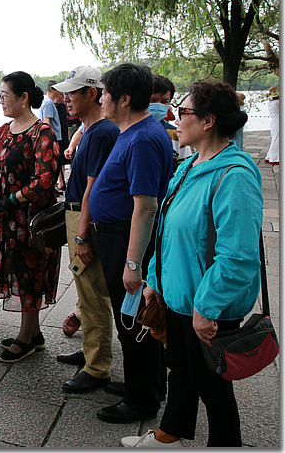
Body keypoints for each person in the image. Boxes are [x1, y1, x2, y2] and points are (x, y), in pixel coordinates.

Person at [122, 80, 262, 447]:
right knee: (180, 370)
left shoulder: (234, 176)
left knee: (212, 386)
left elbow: (238, 256)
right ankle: (169, 434)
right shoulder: (188, 168)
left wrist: (207, 306)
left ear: (209, 121)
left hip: (206, 301)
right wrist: (155, 280)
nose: (174, 118)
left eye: (183, 112)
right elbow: (167, 233)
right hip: (179, 295)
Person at [88, 63, 173, 424]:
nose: (101, 99)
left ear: (123, 99)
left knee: (133, 321)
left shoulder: (141, 139)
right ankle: (148, 383)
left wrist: (133, 264)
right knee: (134, 318)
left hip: (126, 238)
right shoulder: (134, 131)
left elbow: (145, 206)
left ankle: (142, 399)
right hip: (116, 235)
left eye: (105, 93)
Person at [50, 67, 120, 393]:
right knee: (85, 292)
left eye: (73, 93)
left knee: (92, 296)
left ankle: (97, 368)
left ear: (92, 94)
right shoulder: (90, 129)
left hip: (84, 217)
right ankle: (90, 351)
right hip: (78, 213)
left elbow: (94, 186)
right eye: (64, 93)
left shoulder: (103, 133)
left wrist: (80, 235)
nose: (66, 99)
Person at [0, 71, 60, 363]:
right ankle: (35, 333)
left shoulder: (41, 131)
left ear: (24, 98)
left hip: (31, 219)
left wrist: (10, 201)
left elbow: (45, 178)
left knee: (30, 274)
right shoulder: (3, 130)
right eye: (0, 96)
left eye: (5, 96)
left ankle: (26, 337)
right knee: (15, 269)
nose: (1, 101)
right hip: (6, 219)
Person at [46, 80, 70, 191]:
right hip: (54, 139)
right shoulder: (49, 103)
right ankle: (53, 185)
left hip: (60, 137)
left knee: (61, 161)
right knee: (55, 163)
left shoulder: (52, 103)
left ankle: (59, 183)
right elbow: (47, 122)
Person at [264, 86, 279, 165]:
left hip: (274, 121)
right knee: (277, 139)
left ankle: (269, 156)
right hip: (278, 122)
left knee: (275, 138)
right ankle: (274, 158)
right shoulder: (277, 103)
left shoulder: (270, 102)